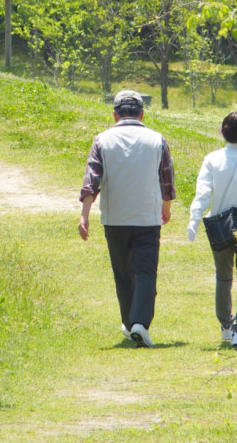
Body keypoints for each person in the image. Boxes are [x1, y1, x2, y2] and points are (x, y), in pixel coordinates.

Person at [79, 90, 176, 348]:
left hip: (115, 218)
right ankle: (139, 324)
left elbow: (92, 181)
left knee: (123, 273)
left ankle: (131, 321)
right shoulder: (157, 140)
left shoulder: (102, 140)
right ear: (142, 114)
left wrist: (84, 215)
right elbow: (167, 179)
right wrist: (165, 208)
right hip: (147, 217)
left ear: (114, 115)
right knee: (146, 272)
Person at [186, 111, 237, 349]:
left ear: (224, 130)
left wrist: (194, 219)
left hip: (221, 228)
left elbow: (203, 194)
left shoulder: (212, 159)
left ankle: (226, 326)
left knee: (223, 277)